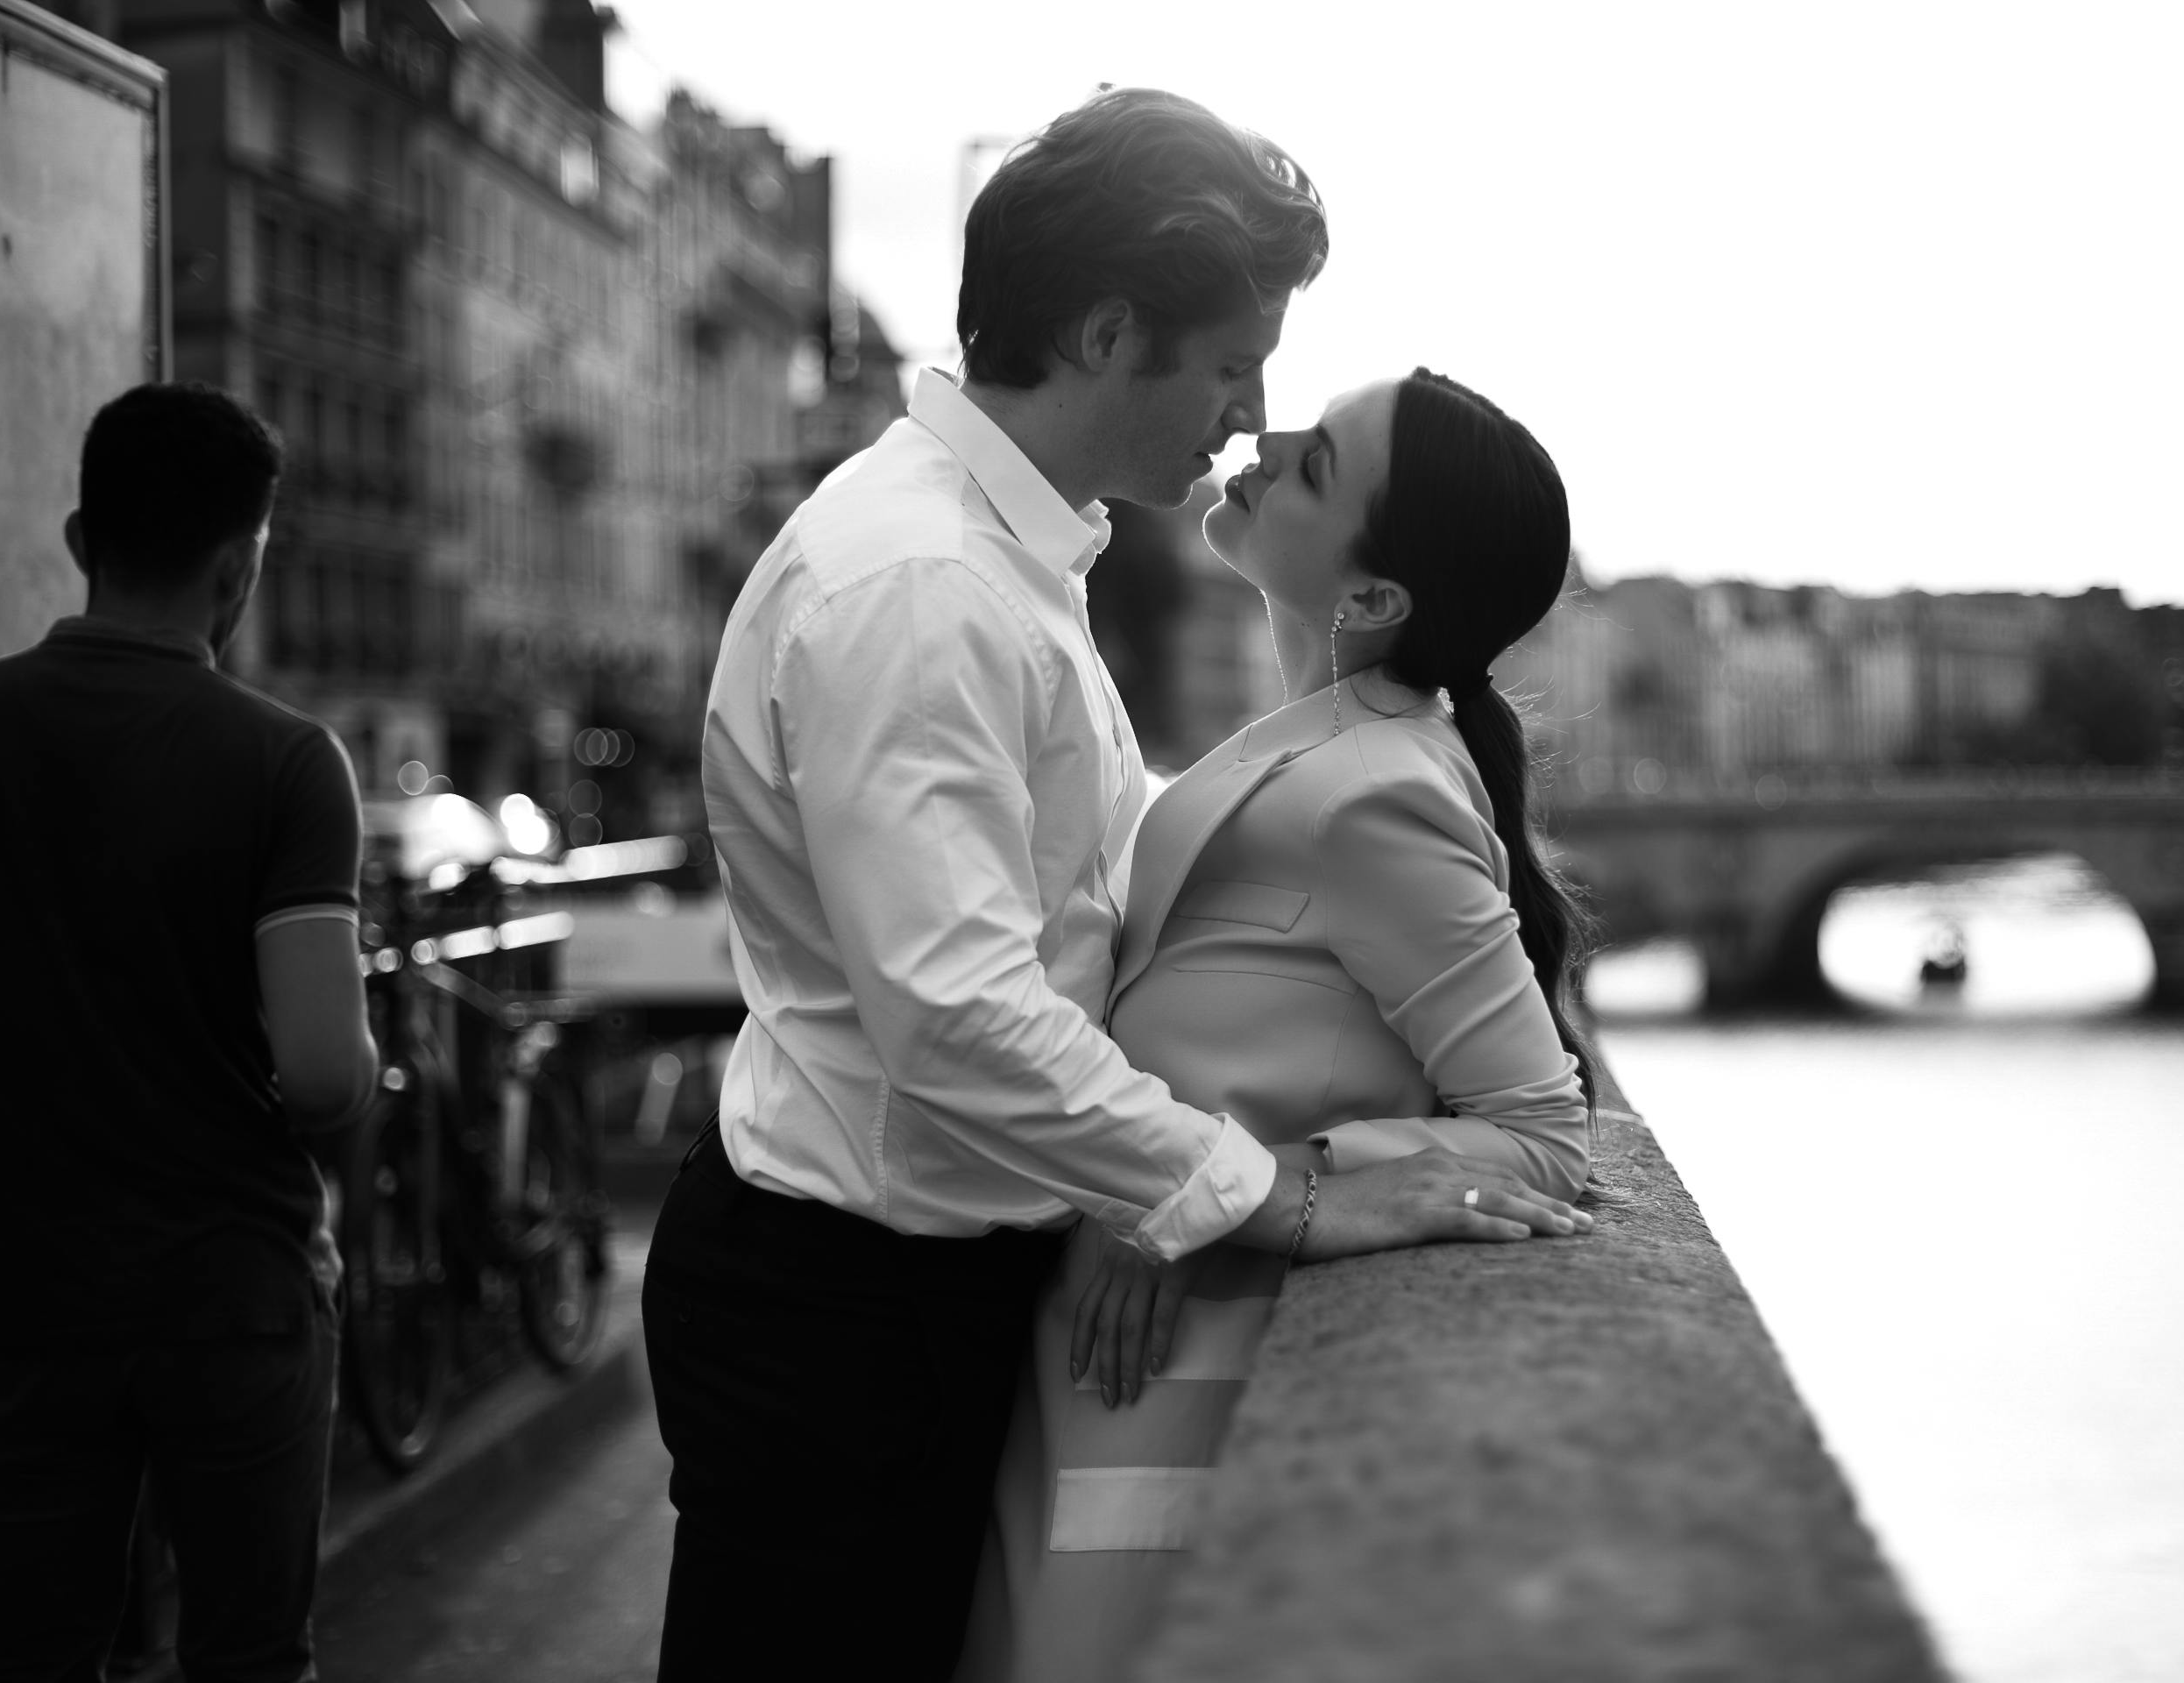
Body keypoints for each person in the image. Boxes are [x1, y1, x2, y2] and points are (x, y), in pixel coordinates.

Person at [646, 89, 1591, 1681]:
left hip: (904, 1292)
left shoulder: (1000, 556)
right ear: (1104, 331)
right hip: (852, 1313)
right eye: (1232, 362)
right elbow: (957, 1016)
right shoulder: (925, 586)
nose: (1248, 412)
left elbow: (1099, 887)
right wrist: (1270, 1191)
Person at [958, 369, 1596, 1681]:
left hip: (1181, 1380)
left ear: (1370, 601)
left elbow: (1539, 1136)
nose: (1264, 437)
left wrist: (1242, 1188)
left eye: (1312, 463)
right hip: (1128, 1351)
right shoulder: (1328, 746)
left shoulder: (1376, 791)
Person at [0, 383, 377, 1682]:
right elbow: (324, 1074)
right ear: (243, 562)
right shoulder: (284, 762)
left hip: (25, 1294)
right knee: (247, 1655)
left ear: (76, 538)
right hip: (232, 1293)